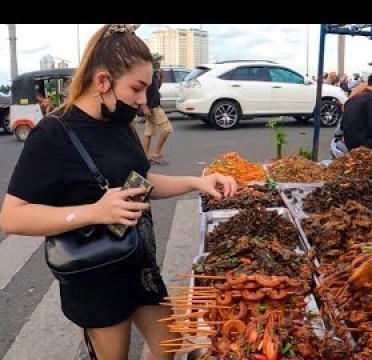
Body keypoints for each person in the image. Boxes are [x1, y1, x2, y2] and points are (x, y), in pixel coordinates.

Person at [0, 24, 238, 360]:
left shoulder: (119, 123)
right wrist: (95, 212)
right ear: (102, 82)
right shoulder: (53, 134)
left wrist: (197, 182)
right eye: (137, 89)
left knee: (168, 344)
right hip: (95, 277)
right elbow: (12, 216)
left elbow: (139, 184)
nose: (143, 103)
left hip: (138, 262)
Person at [141, 69, 174, 165]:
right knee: (167, 129)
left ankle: (144, 157)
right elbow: (141, 90)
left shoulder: (153, 75)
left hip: (152, 107)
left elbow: (156, 89)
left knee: (148, 132)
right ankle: (156, 154)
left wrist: (161, 78)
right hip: (153, 108)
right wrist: (144, 107)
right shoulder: (146, 74)